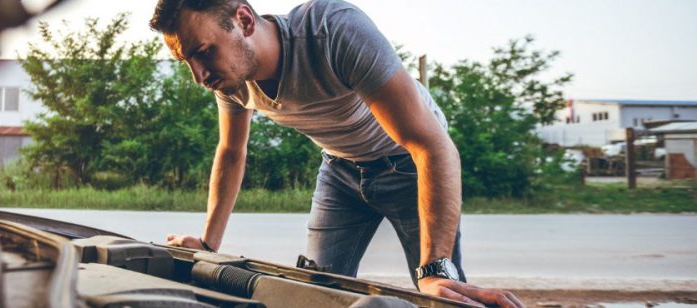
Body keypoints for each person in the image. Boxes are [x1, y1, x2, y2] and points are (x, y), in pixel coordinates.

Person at [149, 0, 524, 306]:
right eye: (188, 63)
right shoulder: (228, 80)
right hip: (339, 169)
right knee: (315, 294)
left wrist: (436, 268)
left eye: (203, 52)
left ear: (244, 20)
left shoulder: (332, 31)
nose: (199, 75)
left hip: (409, 163)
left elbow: (432, 145)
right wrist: (210, 247)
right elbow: (231, 152)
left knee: (440, 293)